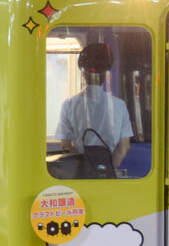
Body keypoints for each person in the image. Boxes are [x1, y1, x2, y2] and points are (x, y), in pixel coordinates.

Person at [56, 42, 131, 172]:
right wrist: (108, 169)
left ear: (83, 75)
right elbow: (124, 147)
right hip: (108, 172)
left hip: (81, 172)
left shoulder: (69, 104)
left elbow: (66, 144)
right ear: (105, 76)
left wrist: (84, 167)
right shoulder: (120, 106)